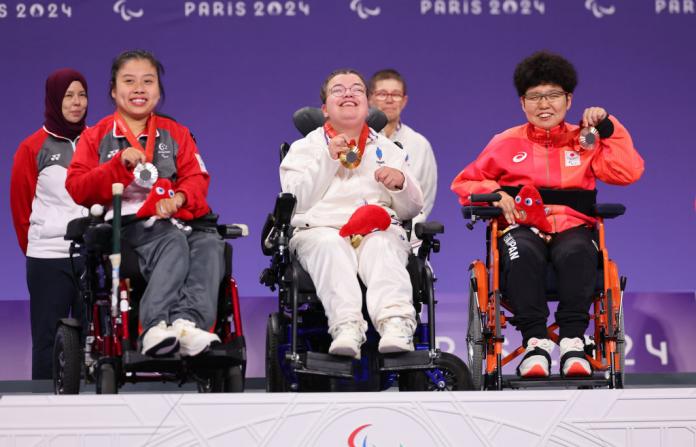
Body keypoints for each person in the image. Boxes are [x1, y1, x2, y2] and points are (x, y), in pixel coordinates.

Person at [451, 51, 644, 378]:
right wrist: (495, 193)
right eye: (535, 97)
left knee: (578, 251)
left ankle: (572, 342)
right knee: (520, 252)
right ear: (522, 103)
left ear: (568, 100)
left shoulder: (587, 139)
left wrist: (609, 127)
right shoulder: (505, 142)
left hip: (574, 228)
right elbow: (465, 181)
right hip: (520, 227)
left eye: (553, 95)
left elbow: (628, 172)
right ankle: (535, 343)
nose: (544, 104)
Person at [66, 50, 224, 358]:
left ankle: (187, 324)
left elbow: (197, 177)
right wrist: (116, 166)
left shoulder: (175, 133)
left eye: (148, 81)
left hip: (175, 219)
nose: (139, 88)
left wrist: (179, 197)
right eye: (129, 81)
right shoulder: (96, 136)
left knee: (210, 245)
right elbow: (77, 188)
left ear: (158, 90)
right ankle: (153, 327)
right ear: (114, 90)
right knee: (171, 239)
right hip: (126, 227)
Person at [280, 69, 424, 359]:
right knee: (330, 245)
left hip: (376, 229)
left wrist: (400, 184)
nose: (348, 93)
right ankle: (346, 328)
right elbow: (296, 201)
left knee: (383, 244)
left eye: (357, 89)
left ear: (367, 104)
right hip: (321, 229)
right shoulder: (304, 149)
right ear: (324, 109)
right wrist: (328, 159)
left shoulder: (389, 149)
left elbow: (412, 209)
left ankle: (396, 325)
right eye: (338, 89)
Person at [10, 68, 89, 380]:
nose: (76, 102)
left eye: (82, 94)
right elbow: (21, 209)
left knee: (92, 341)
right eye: (68, 96)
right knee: (47, 340)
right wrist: (37, 248)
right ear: (54, 100)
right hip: (47, 259)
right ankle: (43, 411)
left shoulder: (97, 142)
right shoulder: (32, 147)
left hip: (89, 257)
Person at [368, 69, 437, 225]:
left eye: (396, 94)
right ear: (370, 98)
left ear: (404, 101)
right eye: (382, 94)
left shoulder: (419, 144)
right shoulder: (360, 141)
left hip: (407, 229)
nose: (389, 100)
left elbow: (425, 198)